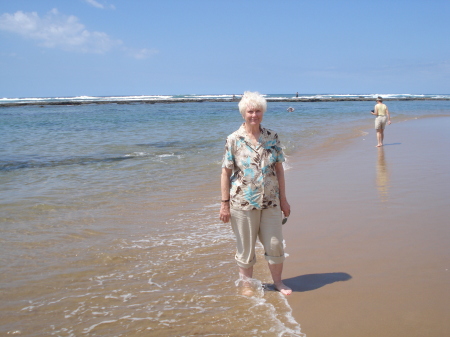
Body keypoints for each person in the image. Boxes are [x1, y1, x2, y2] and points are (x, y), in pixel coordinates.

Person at [219, 91, 292, 296]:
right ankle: (247, 286)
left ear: (263, 112)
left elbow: (279, 170)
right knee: (245, 247)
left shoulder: (272, 137)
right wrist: (224, 204)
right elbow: (225, 173)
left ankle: (278, 283)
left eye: (258, 111)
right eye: (250, 111)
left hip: (271, 201)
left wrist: (284, 200)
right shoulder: (233, 139)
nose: (254, 115)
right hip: (242, 202)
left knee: (275, 244)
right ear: (243, 113)